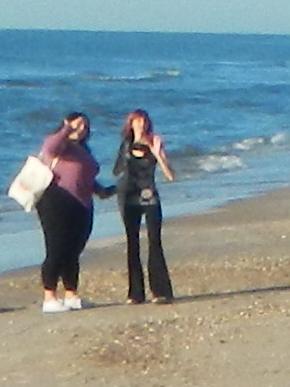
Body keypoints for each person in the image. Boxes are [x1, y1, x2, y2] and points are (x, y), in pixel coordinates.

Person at [25, 112, 98, 310]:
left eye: (85, 125)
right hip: (56, 200)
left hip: (82, 203)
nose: (82, 128)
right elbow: (50, 148)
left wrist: (101, 190)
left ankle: (71, 295)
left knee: (73, 250)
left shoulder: (83, 149)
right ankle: (49, 297)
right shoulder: (59, 144)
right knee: (56, 248)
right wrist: (67, 129)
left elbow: (85, 176)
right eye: (78, 124)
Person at [112, 108, 177, 305]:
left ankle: (161, 291)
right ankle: (135, 294)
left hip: (149, 195)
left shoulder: (155, 143)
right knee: (132, 244)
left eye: (143, 121)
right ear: (130, 124)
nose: (140, 125)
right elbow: (116, 171)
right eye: (136, 122)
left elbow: (171, 176)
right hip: (128, 195)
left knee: (154, 241)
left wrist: (158, 154)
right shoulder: (125, 145)